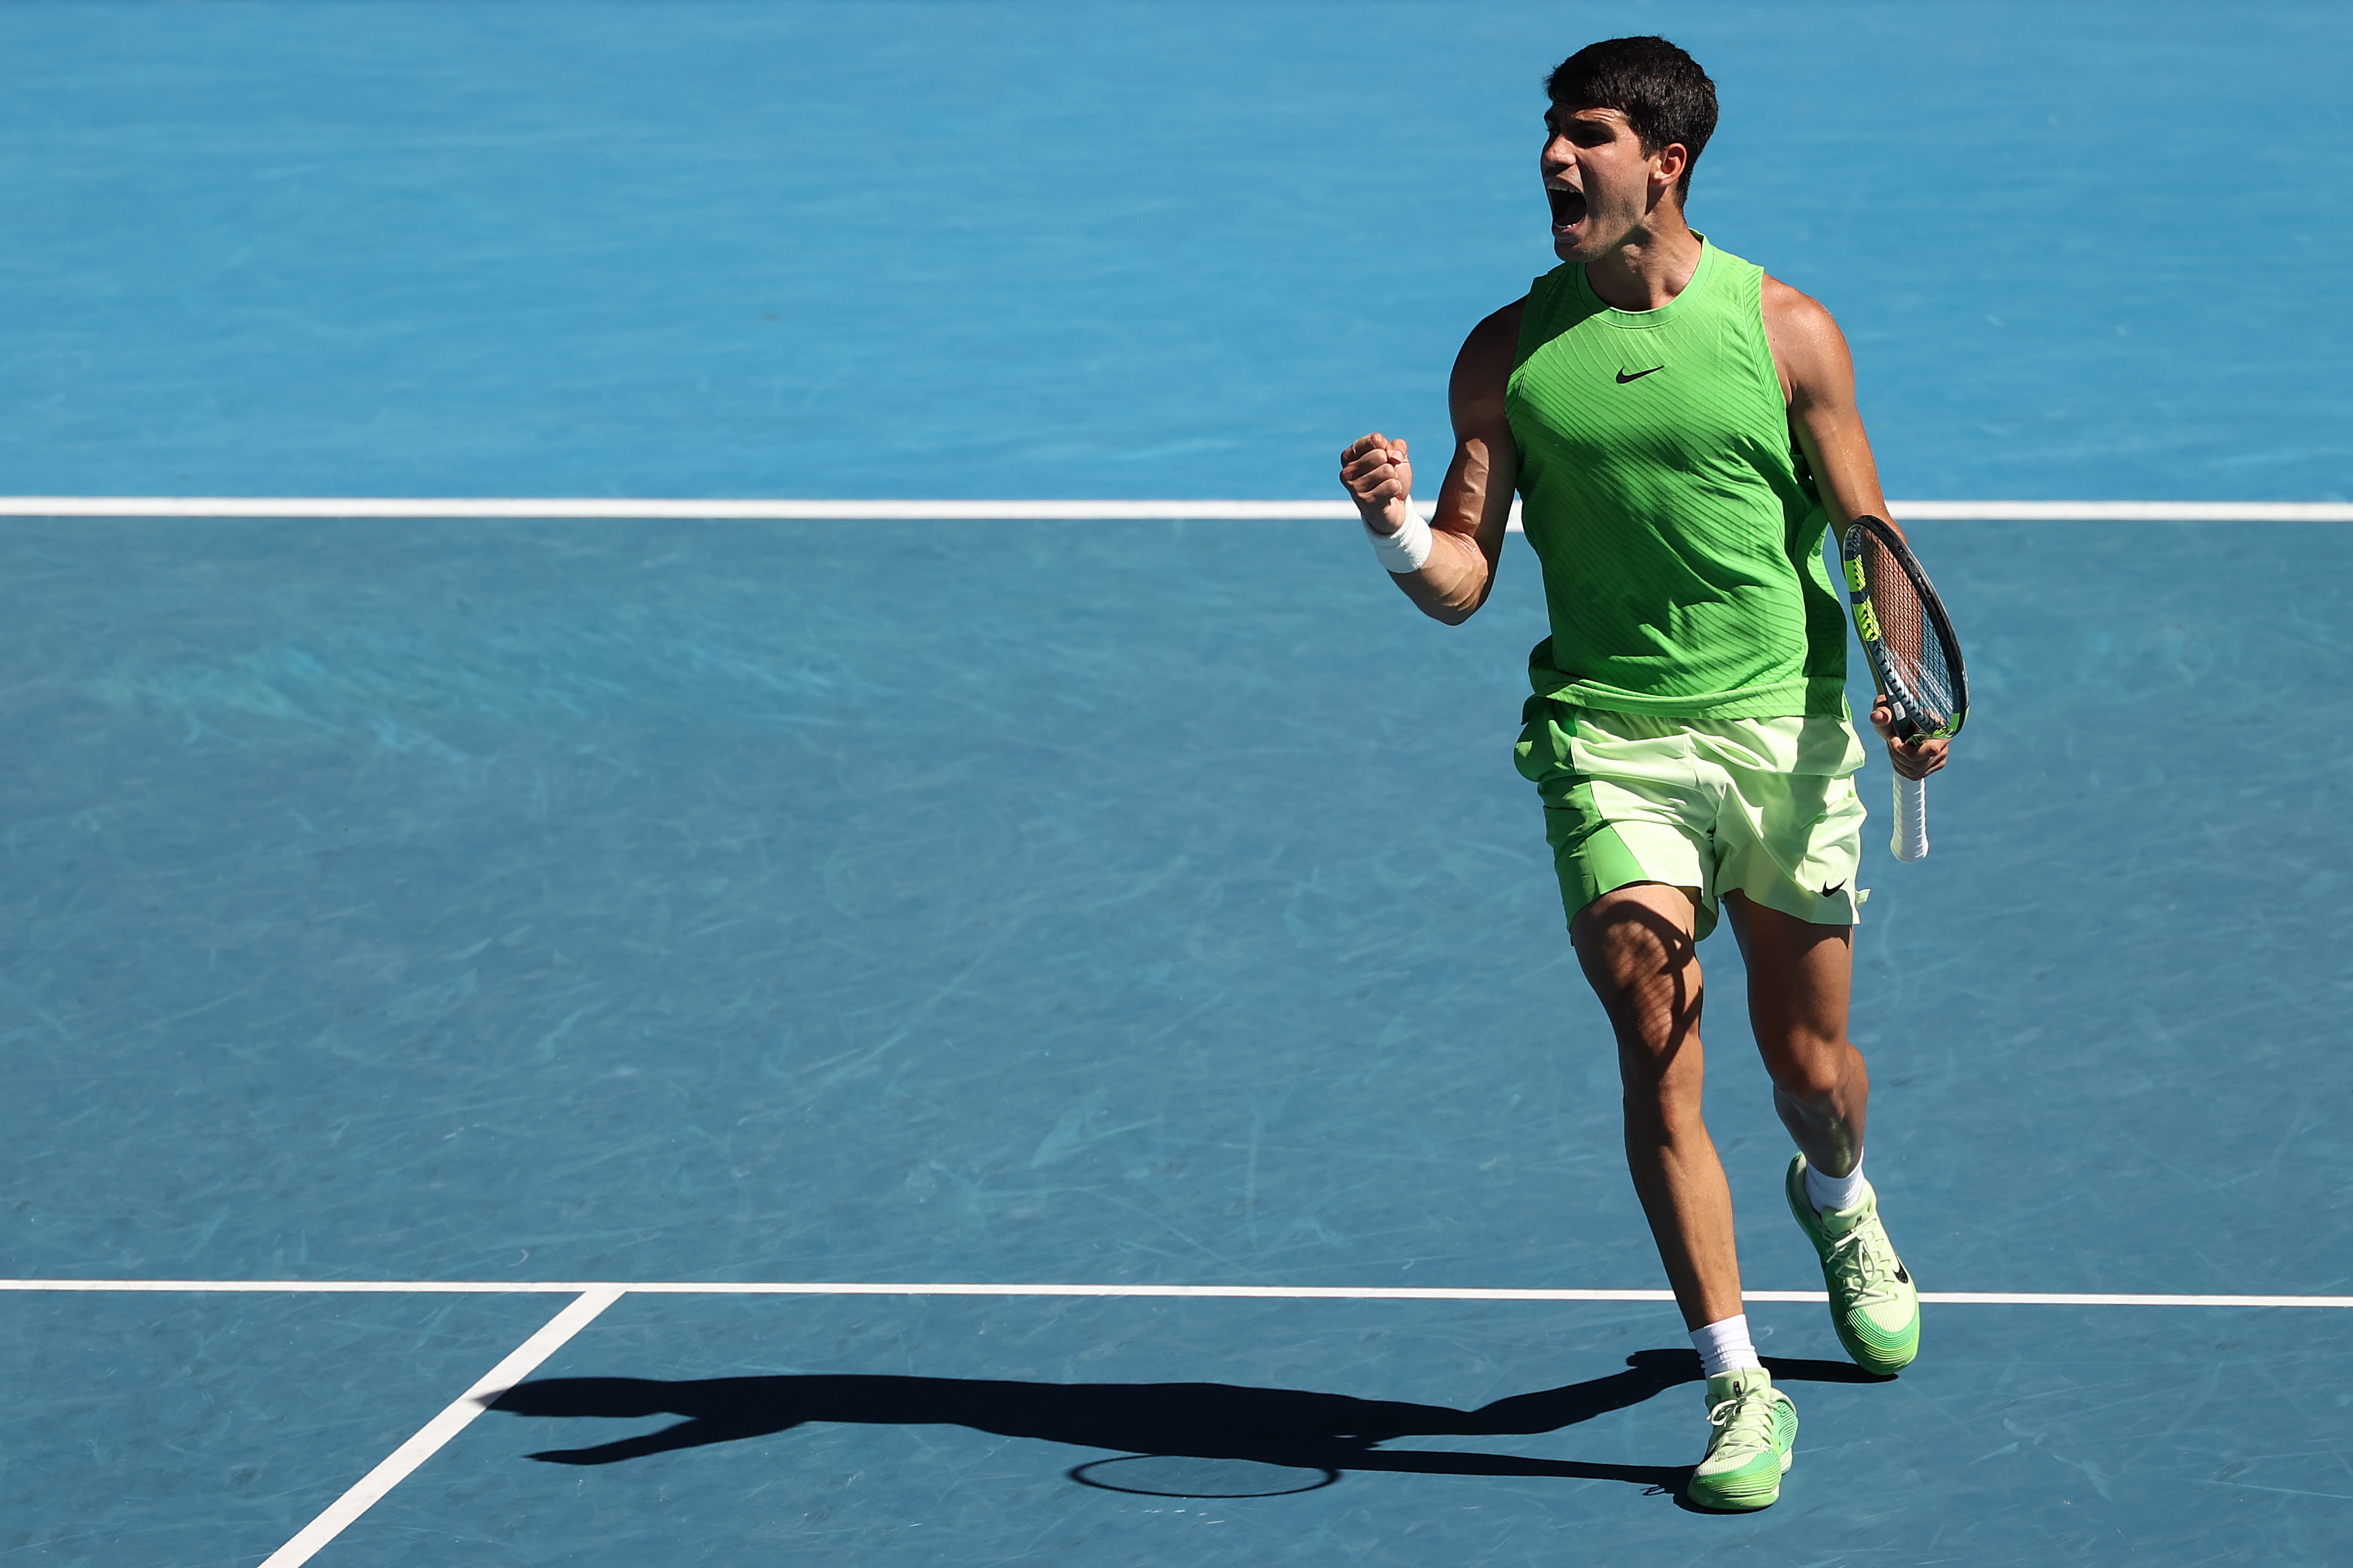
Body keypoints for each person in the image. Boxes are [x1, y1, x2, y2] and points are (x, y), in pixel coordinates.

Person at [1338, 35, 1947, 1512]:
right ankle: (1738, 1385)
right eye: (1551, 135)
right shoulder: (1507, 353)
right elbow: (1470, 580)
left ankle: (1839, 1197)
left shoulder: (1786, 328)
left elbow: (1865, 534)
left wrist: (1904, 678)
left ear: (1663, 163)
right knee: (1650, 1022)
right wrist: (1399, 530)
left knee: (1809, 1074)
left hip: (1781, 732)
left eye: (1588, 137)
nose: (1557, 160)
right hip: (1611, 738)